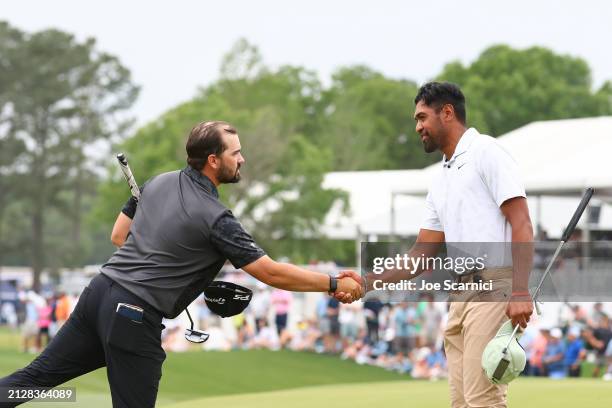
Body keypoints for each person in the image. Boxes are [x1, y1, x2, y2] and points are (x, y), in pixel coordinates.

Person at [0, 121, 363, 408]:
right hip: (132, 314)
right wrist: (333, 283)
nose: (243, 159)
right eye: (236, 153)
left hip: (98, 294)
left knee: (34, 379)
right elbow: (268, 271)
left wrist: (174, 267)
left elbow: (119, 235)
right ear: (213, 160)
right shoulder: (217, 217)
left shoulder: (158, 182)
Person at [343, 82, 533, 407]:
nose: (417, 127)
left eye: (422, 117)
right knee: (461, 404)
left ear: (447, 112)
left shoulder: (486, 151)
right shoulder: (442, 177)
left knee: (483, 401)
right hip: (460, 296)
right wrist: (368, 282)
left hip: (492, 288)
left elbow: (521, 223)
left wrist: (519, 290)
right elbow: (420, 255)